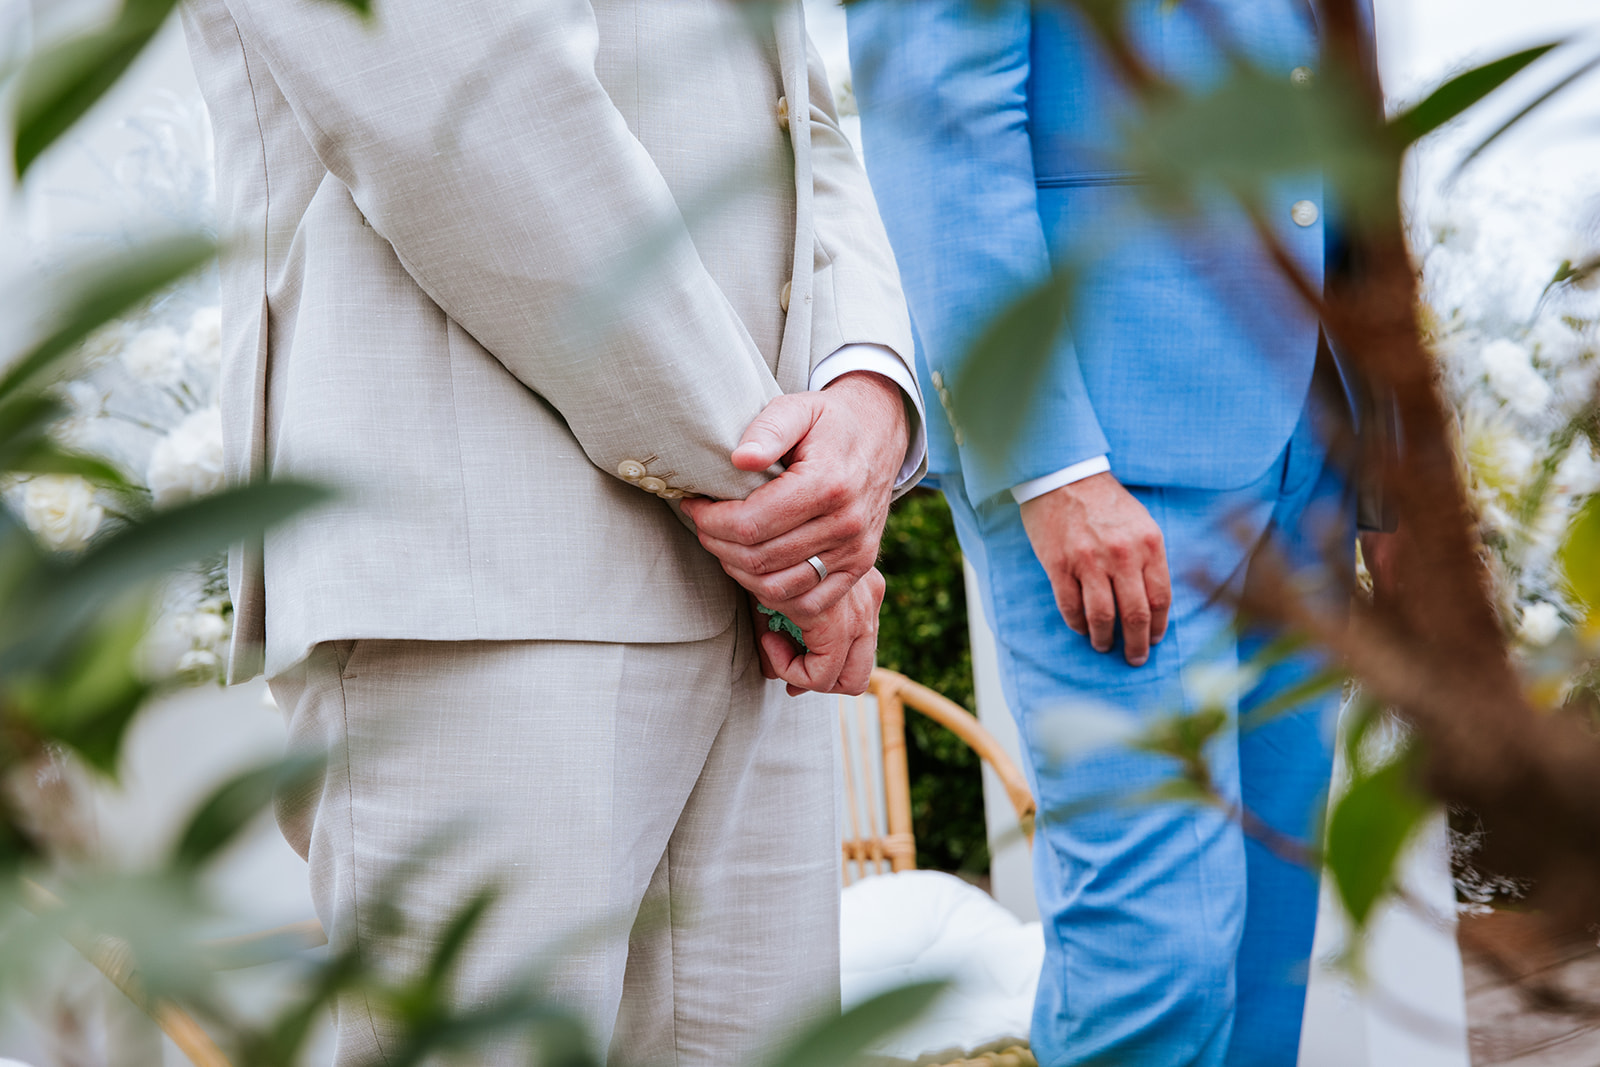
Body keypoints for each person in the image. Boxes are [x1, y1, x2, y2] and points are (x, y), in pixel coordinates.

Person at [180, 0, 924, 1062]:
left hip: (749, 600)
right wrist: (774, 501)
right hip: (485, 572)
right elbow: (458, 97)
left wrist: (864, 391)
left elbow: (795, 103)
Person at [846, 1, 1382, 1063]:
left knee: (1268, 954)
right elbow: (938, 118)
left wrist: (1392, 471)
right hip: (1105, 455)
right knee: (1155, 963)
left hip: (1314, 433)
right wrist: (1052, 466)